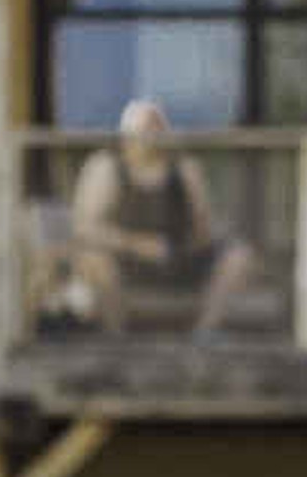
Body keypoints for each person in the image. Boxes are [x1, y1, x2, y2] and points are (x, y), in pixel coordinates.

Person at [64, 97, 268, 330]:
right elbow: (84, 227)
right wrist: (136, 244)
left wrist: (194, 237)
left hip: (177, 258)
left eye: (157, 127)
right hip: (124, 261)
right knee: (93, 258)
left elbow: (203, 226)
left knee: (239, 256)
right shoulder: (106, 166)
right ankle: (117, 337)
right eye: (145, 129)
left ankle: (204, 334)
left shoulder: (184, 168)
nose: (151, 135)